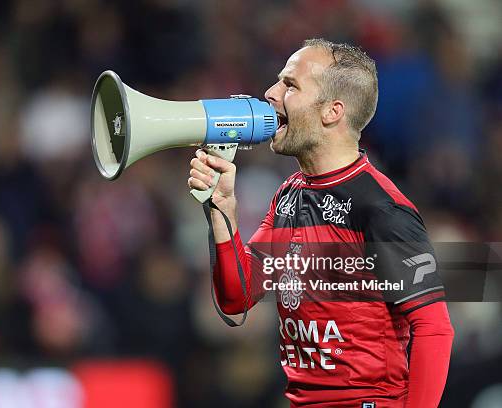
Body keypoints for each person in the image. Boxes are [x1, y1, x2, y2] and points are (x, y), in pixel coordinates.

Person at [188, 39, 454, 408]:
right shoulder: (290, 193)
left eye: (290, 85)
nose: (270, 92)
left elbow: (434, 328)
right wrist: (222, 208)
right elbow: (238, 296)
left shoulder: (380, 207)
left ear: (332, 112)